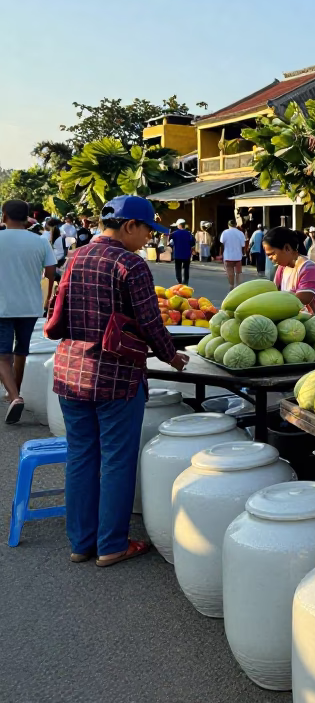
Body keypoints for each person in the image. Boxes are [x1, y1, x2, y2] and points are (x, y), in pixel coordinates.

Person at [46, 195, 188, 566]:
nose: (148, 239)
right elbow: (149, 322)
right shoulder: (130, 264)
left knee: (80, 456)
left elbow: (56, 313)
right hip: (116, 376)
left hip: (70, 372)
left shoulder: (74, 256)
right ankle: (111, 545)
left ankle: (81, 543)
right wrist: (172, 356)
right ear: (129, 226)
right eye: (146, 230)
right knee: (116, 460)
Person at [0, 199, 57, 423]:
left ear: (4, 216)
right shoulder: (40, 241)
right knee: (21, 350)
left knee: (2, 355)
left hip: (2, 305)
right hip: (31, 305)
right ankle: (14, 392)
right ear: (27, 218)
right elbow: (51, 271)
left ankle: (14, 396)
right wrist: (48, 295)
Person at [265, 226, 315, 315]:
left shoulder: (309, 268)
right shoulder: (281, 268)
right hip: (291, 321)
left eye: (272, 254)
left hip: (313, 323)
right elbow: (275, 292)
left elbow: (300, 301)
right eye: (268, 255)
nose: (270, 258)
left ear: (287, 248)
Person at [220, 219, 247, 290]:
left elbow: (222, 244)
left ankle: (231, 286)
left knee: (230, 272)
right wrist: (243, 253)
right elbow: (243, 245)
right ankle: (237, 288)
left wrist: (222, 254)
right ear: (235, 225)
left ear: (228, 225)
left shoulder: (225, 232)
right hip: (238, 256)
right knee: (239, 273)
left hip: (228, 256)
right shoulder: (240, 233)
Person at [168, 219, 194, 285]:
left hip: (178, 254)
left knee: (178, 268)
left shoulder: (174, 233)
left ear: (179, 225)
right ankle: (185, 283)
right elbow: (193, 243)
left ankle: (179, 281)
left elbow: (169, 241)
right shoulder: (189, 233)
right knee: (186, 269)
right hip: (187, 254)